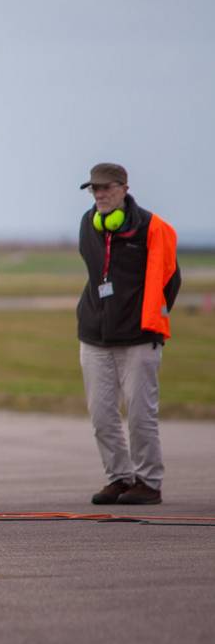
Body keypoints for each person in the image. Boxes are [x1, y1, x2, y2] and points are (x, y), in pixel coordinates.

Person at [76, 163, 180, 507]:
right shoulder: (88, 225)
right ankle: (119, 477)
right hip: (95, 335)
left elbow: (170, 280)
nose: (100, 195)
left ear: (124, 188)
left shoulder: (152, 228)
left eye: (106, 188)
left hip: (139, 337)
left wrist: (145, 318)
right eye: (95, 189)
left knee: (140, 415)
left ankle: (148, 482)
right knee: (101, 415)